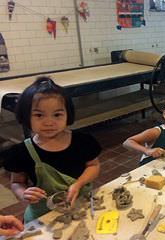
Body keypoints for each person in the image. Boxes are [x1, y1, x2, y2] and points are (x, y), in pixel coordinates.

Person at [3, 76, 101, 223]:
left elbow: (93, 166)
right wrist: (23, 193)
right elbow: (16, 182)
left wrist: (78, 184)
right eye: (39, 115)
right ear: (26, 116)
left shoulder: (82, 141)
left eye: (57, 114)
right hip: (42, 216)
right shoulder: (21, 152)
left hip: (80, 206)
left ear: (67, 114)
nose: (49, 122)